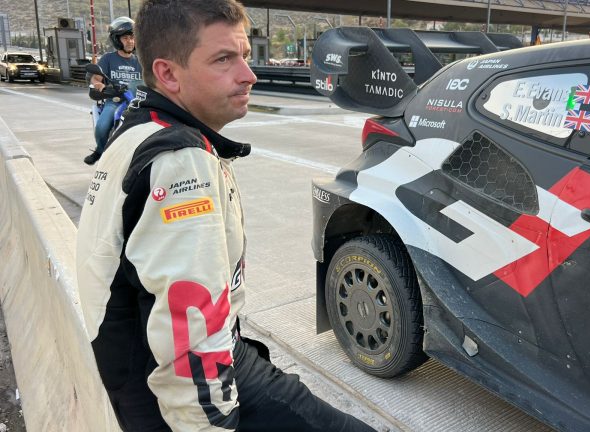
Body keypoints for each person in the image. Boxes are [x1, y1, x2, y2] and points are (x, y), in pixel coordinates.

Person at [75, 1, 375, 431]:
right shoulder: (180, 161)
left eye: (245, 56)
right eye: (223, 59)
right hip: (185, 398)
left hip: (156, 379)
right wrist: (210, 424)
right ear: (168, 74)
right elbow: (189, 332)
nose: (248, 75)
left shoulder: (140, 129)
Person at [84, 16, 142, 165]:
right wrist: (101, 86)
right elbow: (95, 79)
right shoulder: (108, 59)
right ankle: (100, 151)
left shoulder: (140, 61)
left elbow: (149, 81)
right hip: (116, 101)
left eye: (132, 38)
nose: (130, 41)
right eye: (126, 38)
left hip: (137, 102)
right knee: (102, 126)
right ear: (117, 40)